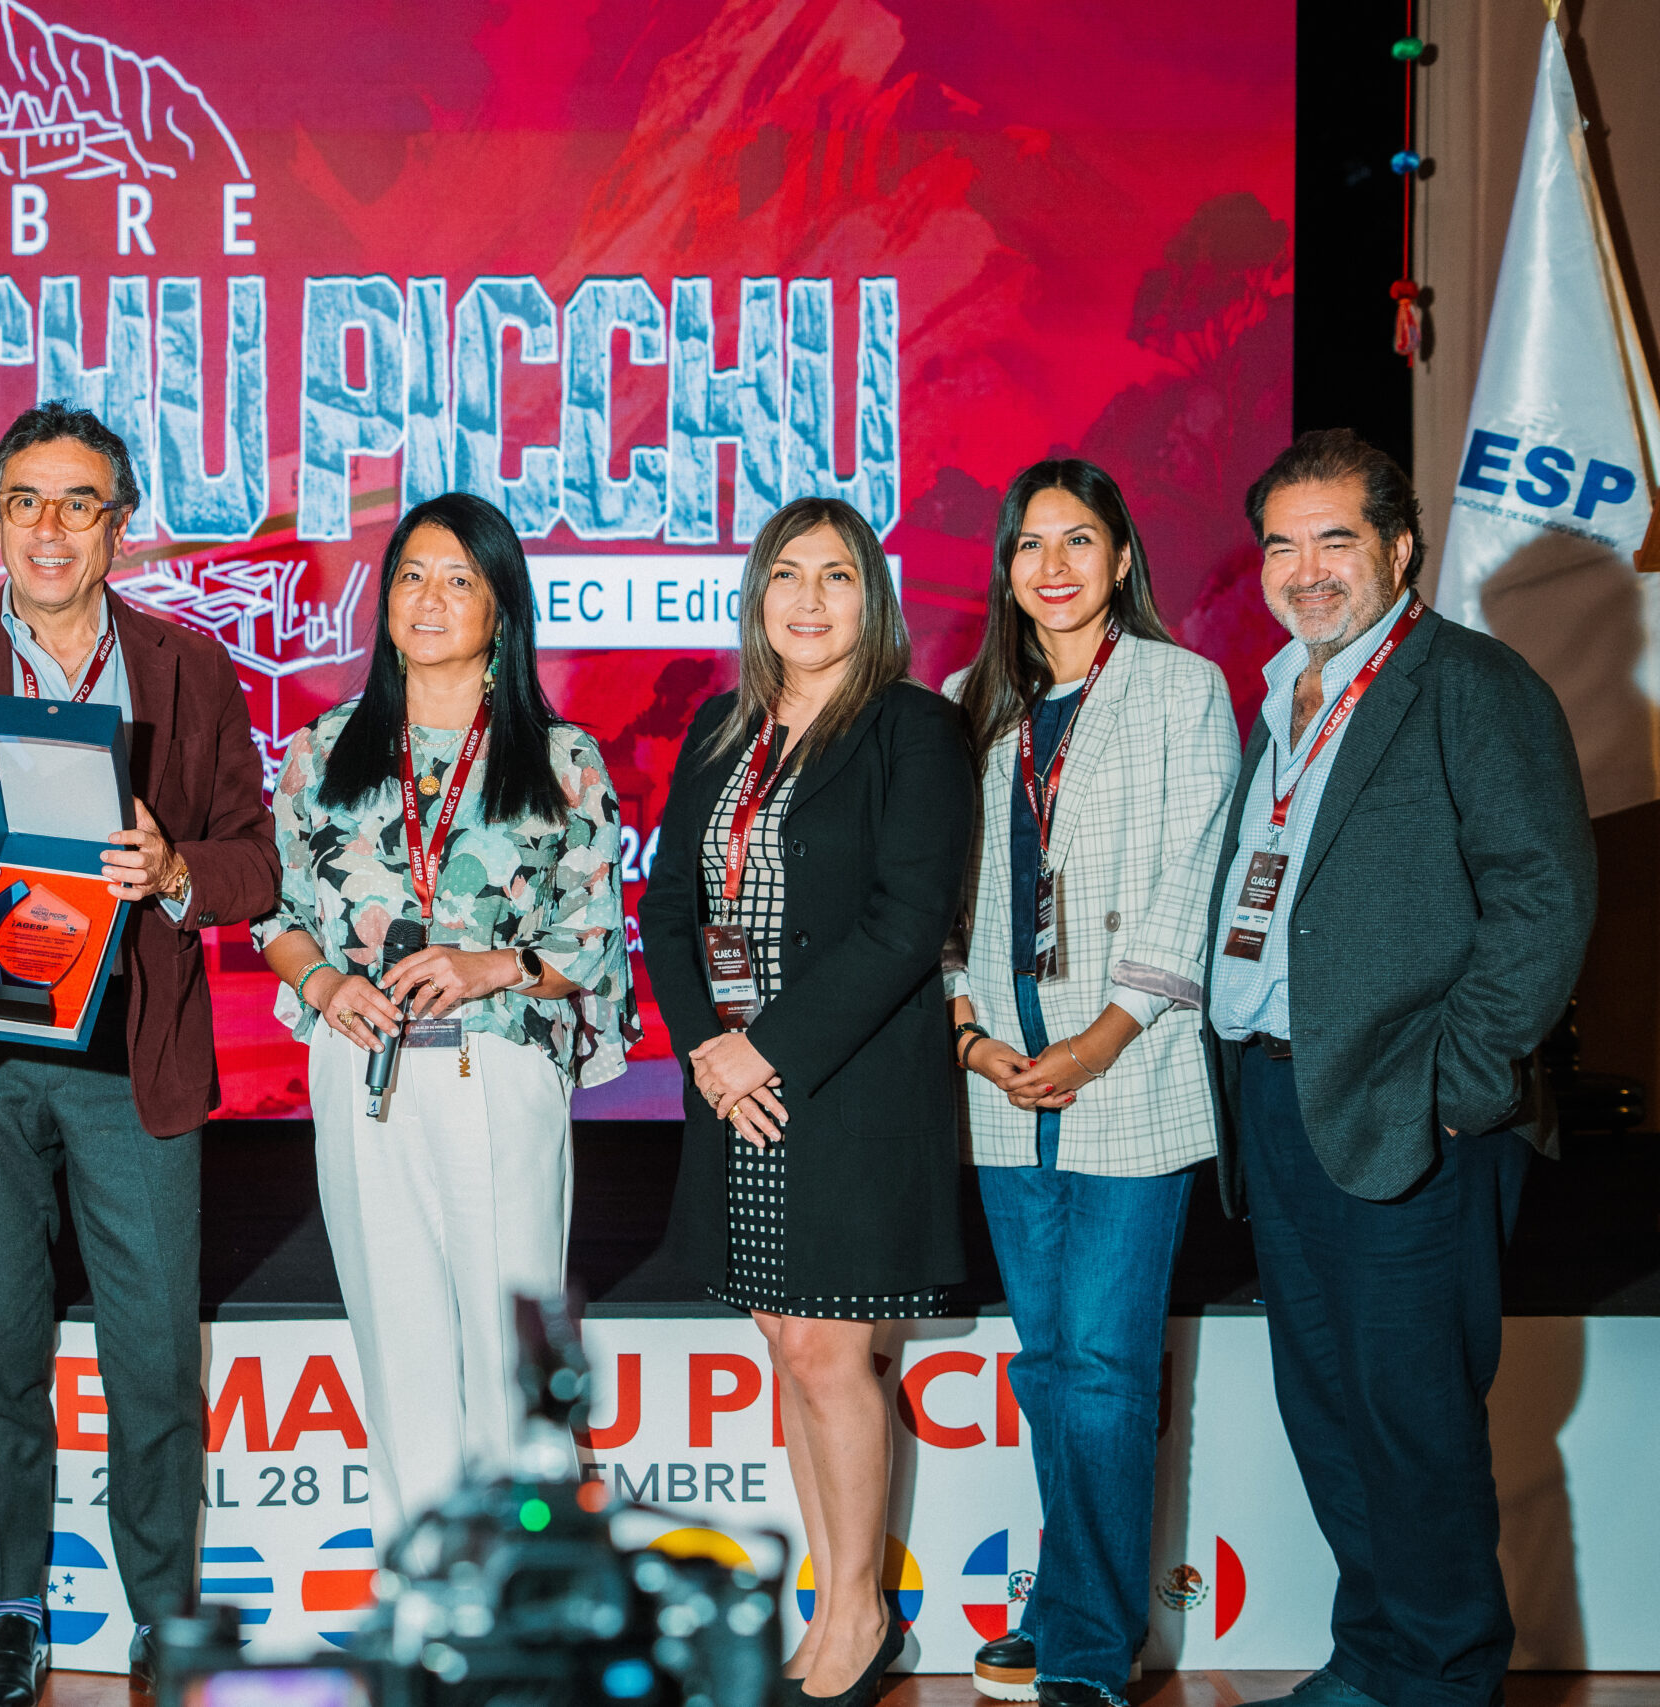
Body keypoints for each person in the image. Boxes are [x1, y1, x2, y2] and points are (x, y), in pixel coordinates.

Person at [0, 402, 279, 1707]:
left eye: (77, 501)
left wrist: (174, 869)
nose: (49, 526)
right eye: (24, 500)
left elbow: (254, 862)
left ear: (120, 523)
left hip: (131, 1053)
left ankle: (162, 1612)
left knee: (151, 1352)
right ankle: (12, 1604)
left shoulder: (187, 667)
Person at [1203, 430, 1593, 1707]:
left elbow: (1542, 899)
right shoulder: (1282, 693)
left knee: (1413, 1419)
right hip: (1281, 1098)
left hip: (1406, 1109)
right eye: (1281, 545)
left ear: (1400, 547)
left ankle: (1441, 1676)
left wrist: (1454, 1085)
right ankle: (1376, 1660)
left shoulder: (1469, 683)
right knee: (1329, 1409)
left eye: (1335, 540)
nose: (1305, 569)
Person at [641, 498, 972, 1707]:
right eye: (788, 575)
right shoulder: (720, 729)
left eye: (836, 576)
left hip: (849, 1083)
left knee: (831, 1349)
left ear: (869, 597)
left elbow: (905, 923)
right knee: (787, 1343)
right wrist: (707, 1049)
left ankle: (857, 1618)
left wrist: (763, 1053)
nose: (809, 599)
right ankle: (834, 1601)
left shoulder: (914, 729)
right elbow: (665, 911)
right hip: (737, 1091)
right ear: (757, 596)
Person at [254, 492, 634, 1543]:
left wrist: (487, 965)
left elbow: (592, 940)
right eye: (412, 576)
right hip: (361, 1064)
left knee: (515, 1348)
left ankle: (528, 1588)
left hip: (497, 1063)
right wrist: (324, 986)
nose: (429, 598)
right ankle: (421, 1585)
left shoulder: (561, 759)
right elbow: (275, 913)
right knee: (396, 1337)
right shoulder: (322, 749)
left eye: (460, 580)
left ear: (501, 608)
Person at [944, 461, 1238, 1707]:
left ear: (1121, 557)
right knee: (1050, 1365)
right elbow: (938, 892)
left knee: (1107, 1368)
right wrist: (967, 1034)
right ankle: (1076, 1599)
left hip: (1132, 1070)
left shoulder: (1181, 688)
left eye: (1078, 541)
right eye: (1029, 544)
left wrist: (1105, 1036)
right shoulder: (969, 704)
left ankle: (1084, 1650)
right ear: (1005, 568)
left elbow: (1197, 873)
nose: (1052, 566)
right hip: (1002, 1079)